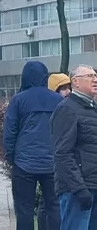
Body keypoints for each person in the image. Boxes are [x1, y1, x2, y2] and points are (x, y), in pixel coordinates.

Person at [3, 61, 62, 230]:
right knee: (54, 207)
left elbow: (10, 131)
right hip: (53, 163)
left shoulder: (18, 100)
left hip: (24, 163)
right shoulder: (58, 99)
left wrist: (11, 157)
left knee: (24, 211)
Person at [50, 65, 97, 230]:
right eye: (90, 76)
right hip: (77, 190)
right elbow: (62, 153)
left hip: (93, 184)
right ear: (75, 81)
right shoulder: (67, 109)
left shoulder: (92, 108)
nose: (95, 79)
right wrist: (79, 189)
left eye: (95, 75)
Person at [37, 73, 71, 230]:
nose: (68, 92)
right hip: (51, 161)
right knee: (50, 203)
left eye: (69, 87)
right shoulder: (53, 109)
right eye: (63, 88)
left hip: (63, 162)